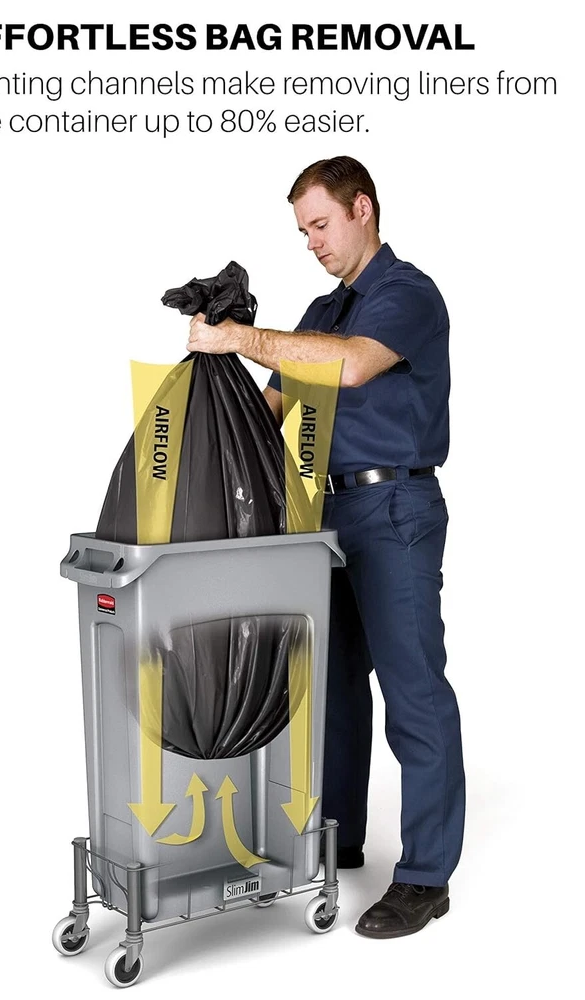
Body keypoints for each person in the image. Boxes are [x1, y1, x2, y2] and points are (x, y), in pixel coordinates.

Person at [187, 155, 465, 939]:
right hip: (324, 512)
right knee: (334, 688)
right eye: (302, 230)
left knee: (413, 689)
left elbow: (348, 369)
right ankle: (337, 843)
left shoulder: (407, 294)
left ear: (361, 209)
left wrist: (241, 337)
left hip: (395, 509)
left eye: (320, 224)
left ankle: (425, 877)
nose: (311, 241)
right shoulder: (320, 309)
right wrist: (208, 364)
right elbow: (270, 408)